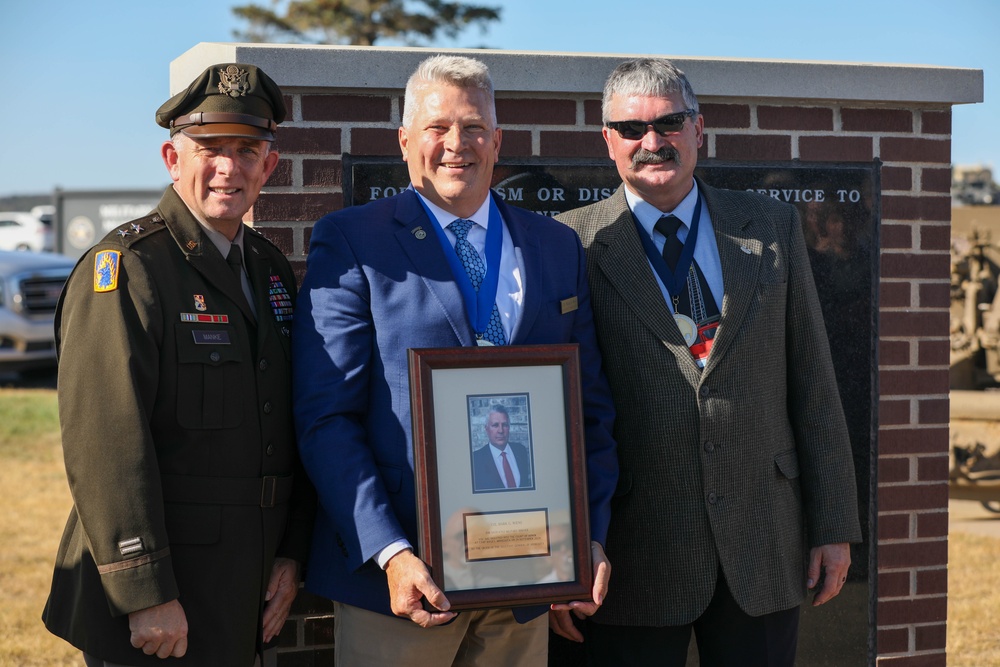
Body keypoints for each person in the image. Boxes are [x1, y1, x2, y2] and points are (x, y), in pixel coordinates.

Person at [292, 54, 618, 665]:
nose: (455, 145)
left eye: (472, 128)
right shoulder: (354, 241)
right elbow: (325, 417)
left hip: (527, 580)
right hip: (403, 584)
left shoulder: (555, 246)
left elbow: (588, 410)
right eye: (437, 127)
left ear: (497, 141)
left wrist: (587, 535)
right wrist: (389, 551)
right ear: (405, 140)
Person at [555, 58, 862, 666]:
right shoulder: (570, 243)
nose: (653, 142)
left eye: (670, 122)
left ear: (699, 129)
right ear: (608, 141)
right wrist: (556, 558)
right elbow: (557, 409)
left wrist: (833, 523)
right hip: (631, 557)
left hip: (764, 541)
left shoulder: (770, 228)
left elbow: (813, 381)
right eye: (633, 129)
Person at [42, 63, 315, 666]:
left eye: (247, 150)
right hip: (163, 598)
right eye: (210, 149)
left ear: (269, 167)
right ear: (172, 157)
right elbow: (107, 444)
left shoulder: (268, 268)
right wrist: (144, 593)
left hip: (244, 585)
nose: (228, 167)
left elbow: (288, 419)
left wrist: (292, 552)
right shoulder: (128, 268)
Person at [472, 404, 534, 492]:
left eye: (504, 425)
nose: (501, 430)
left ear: (509, 427)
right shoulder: (475, 459)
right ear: (486, 429)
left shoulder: (521, 450)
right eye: (495, 425)